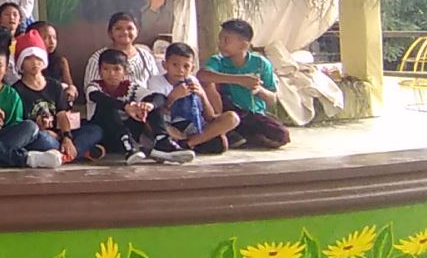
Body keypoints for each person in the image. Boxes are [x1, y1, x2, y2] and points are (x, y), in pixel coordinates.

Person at [78, 47, 192, 165]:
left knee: (149, 103)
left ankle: (162, 141)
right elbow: (97, 97)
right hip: (105, 133)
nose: (111, 74)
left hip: (129, 133)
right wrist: (126, 107)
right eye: (106, 69)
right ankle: (129, 146)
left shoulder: (129, 87)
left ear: (125, 72)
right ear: (100, 71)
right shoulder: (94, 86)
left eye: (117, 69)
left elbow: (159, 97)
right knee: (108, 106)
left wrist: (149, 105)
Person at [199, 19, 291, 148]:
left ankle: (240, 137)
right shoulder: (217, 61)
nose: (220, 44)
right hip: (227, 112)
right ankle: (229, 131)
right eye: (220, 40)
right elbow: (202, 75)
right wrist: (239, 80)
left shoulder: (261, 63)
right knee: (208, 83)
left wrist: (259, 90)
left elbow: (272, 99)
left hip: (251, 114)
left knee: (282, 135)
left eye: (226, 40)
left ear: (243, 45)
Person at [10, 31, 80, 163]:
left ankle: (64, 153)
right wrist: (42, 130)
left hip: (59, 135)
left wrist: (66, 137)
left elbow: (62, 114)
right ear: (20, 63)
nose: (35, 62)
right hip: (39, 136)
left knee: (93, 130)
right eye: (28, 58)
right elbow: (20, 126)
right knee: (41, 139)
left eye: (38, 58)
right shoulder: (16, 90)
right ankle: (70, 154)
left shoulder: (55, 85)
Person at [80, 12, 163, 120]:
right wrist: (125, 107)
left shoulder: (146, 57)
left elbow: (154, 90)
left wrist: (146, 106)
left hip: (141, 114)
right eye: (118, 28)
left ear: (137, 31)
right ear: (110, 33)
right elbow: (92, 93)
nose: (125, 32)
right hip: (108, 116)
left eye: (130, 28)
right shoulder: (98, 58)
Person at [162, 42, 240, 153]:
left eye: (186, 66)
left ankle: (187, 144)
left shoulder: (192, 81)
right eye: (175, 65)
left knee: (232, 119)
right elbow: (157, 115)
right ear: (165, 65)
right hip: (173, 126)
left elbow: (209, 116)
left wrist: (202, 95)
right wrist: (173, 97)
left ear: (192, 68)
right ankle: (190, 143)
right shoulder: (157, 82)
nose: (181, 70)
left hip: (196, 126)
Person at [30, 21, 77, 106]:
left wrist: (71, 90)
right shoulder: (29, 62)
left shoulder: (61, 61)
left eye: (54, 37)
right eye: (46, 38)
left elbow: (70, 85)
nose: (52, 42)